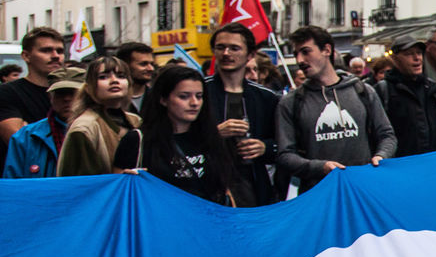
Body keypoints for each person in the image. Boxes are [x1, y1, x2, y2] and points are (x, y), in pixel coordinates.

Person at [275, 25, 397, 192]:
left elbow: (387, 135)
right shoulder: (291, 102)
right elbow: (285, 155)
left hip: (363, 189)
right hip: (319, 194)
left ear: (327, 50)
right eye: (296, 54)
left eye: (306, 52)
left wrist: (381, 156)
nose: (299, 60)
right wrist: (320, 167)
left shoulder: (363, 91)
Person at [113, 64, 253, 206]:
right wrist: (128, 181)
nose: (194, 103)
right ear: (163, 99)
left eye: (199, 96)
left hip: (206, 217)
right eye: (184, 96)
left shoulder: (210, 138)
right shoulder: (137, 140)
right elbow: (117, 193)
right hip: (161, 216)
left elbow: (225, 189)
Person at [205, 21, 281, 205]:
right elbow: (179, 139)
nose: (226, 53)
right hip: (208, 187)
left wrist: (265, 147)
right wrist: (215, 134)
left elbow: (284, 144)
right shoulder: (200, 93)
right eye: (220, 47)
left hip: (254, 189)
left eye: (234, 48)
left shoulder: (266, 98)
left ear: (250, 55)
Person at [376, 33, 436, 156]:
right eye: (409, 54)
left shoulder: (434, 88)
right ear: (395, 58)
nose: (417, 58)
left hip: (435, 160)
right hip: (403, 163)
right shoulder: (384, 90)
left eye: (419, 53)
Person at [56, 57, 141, 176]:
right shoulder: (84, 128)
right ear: (89, 87)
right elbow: (81, 181)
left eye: (121, 76)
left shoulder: (136, 121)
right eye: (103, 77)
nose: (114, 81)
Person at [0, 26, 66, 162]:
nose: (55, 56)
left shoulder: (74, 93)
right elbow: (20, 142)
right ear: (26, 56)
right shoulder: (7, 93)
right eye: (46, 50)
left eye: (60, 51)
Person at [2, 67, 83, 178]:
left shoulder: (101, 131)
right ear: (50, 97)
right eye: (60, 93)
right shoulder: (25, 137)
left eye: (74, 93)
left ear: (86, 95)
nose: (67, 99)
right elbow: (13, 183)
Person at [116, 41, 157, 112]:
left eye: (152, 64)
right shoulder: (112, 99)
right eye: (143, 64)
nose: (151, 69)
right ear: (125, 65)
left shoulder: (158, 98)